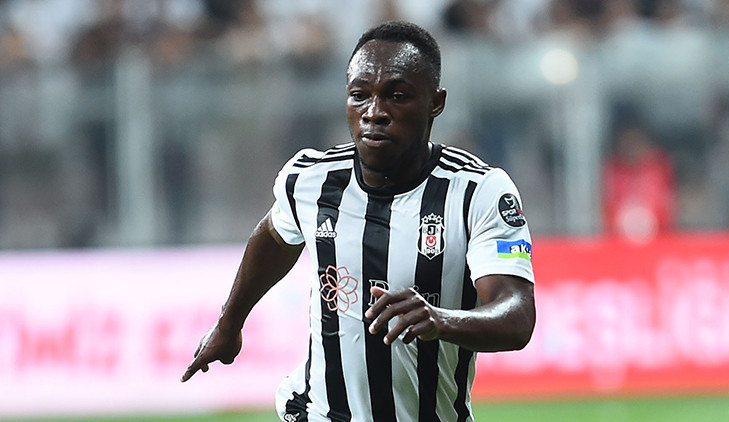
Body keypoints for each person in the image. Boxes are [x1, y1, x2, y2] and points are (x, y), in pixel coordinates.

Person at [182, 21, 536, 422]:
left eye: (397, 96)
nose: (374, 113)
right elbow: (275, 236)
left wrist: (442, 320)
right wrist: (229, 323)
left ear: (435, 103)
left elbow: (517, 315)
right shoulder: (311, 179)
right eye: (359, 95)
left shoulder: (479, 192)